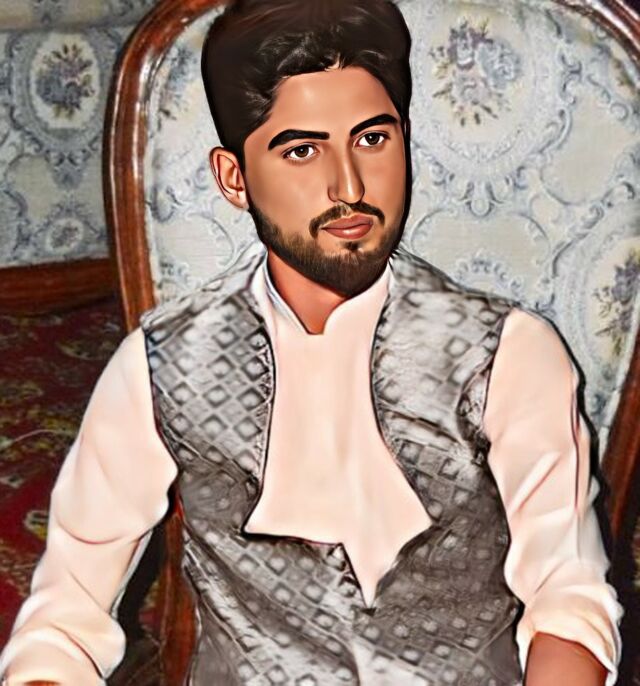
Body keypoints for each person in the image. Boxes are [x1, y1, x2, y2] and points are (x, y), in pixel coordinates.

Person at [0, 0, 624, 684]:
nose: (348, 186)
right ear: (234, 177)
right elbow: (64, 619)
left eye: (372, 139)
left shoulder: (507, 354)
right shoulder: (163, 366)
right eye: (302, 150)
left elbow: (568, 600)